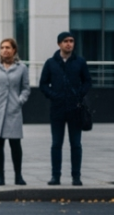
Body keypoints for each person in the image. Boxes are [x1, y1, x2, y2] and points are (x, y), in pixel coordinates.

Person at [39, 31, 92, 186]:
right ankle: (56, 176)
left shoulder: (80, 62)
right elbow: (43, 84)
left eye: (71, 41)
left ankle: (76, 177)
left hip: (75, 109)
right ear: (59, 44)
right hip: (57, 109)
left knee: (76, 144)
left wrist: (79, 95)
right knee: (56, 144)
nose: (69, 44)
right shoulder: (51, 63)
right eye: (65, 41)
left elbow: (87, 82)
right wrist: (54, 95)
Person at [0, 38, 31, 186]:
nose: (5, 50)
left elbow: (26, 88)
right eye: (2, 47)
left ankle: (18, 176)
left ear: (14, 50)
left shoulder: (21, 67)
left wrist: (19, 100)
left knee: (15, 144)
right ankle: (0, 176)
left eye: (8, 47)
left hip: (13, 111)